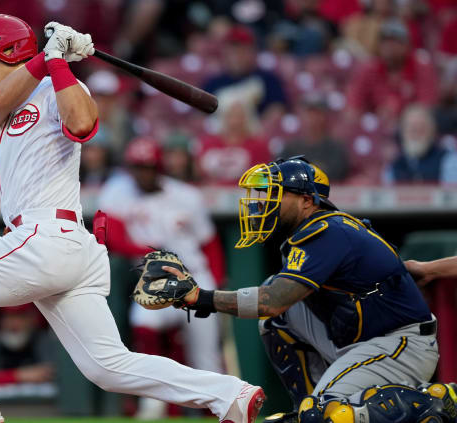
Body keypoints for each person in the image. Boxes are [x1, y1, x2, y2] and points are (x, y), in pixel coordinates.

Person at [0, 14, 264, 423]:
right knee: (107, 367)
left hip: (53, 239)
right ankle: (228, 394)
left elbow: (81, 124)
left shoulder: (59, 88)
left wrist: (57, 64)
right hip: (44, 243)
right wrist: (48, 57)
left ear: (12, 49)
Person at [158, 156, 454, 423]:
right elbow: (275, 306)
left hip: (398, 343)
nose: (263, 203)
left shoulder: (327, 232)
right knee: (277, 320)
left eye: (275, 194)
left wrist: (200, 297)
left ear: (306, 201)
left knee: (329, 416)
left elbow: (272, 301)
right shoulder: (310, 233)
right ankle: (307, 409)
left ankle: (431, 403)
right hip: (359, 339)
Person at [98, 136, 227, 419]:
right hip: (157, 278)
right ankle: (157, 399)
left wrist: (216, 283)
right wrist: (147, 251)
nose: (141, 173)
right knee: (143, 322)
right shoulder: (118, 191)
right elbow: (114, 239)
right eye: (136, 167)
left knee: (205, 354)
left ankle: (218, 407)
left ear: (158, 167)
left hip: (194, 275)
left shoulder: (185, 195)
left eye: (146, 167)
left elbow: (209, 242)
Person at [0, 305, 54, 386]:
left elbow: (49, 372)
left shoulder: (40, 339)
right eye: (9, 317)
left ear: (31, 318)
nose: (13, 323)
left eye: (20, 317)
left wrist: (2, 376)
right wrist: (20, 375)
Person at [383, 104, 457, 184]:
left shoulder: (448, 160)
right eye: (412, 128)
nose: (416, 132)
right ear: (402, 132)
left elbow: (451, 194)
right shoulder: (393, 167)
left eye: (421, 127)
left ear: (432, 131)